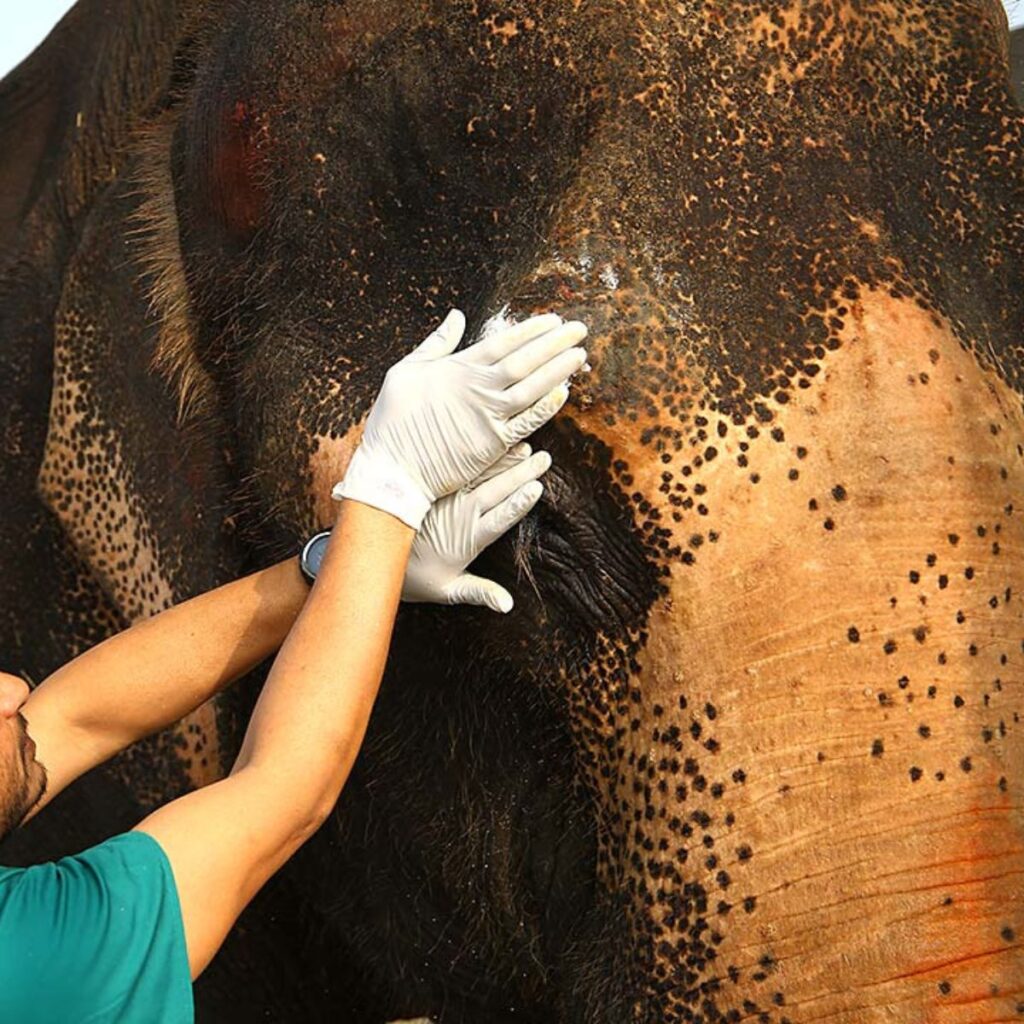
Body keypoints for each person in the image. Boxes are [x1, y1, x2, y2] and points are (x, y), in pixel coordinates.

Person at [0, 308, 588, 1023]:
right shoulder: (40, 960)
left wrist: (342, 563)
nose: (12, 689)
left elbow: (72, 717)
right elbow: (281, 790)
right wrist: (391, 487)